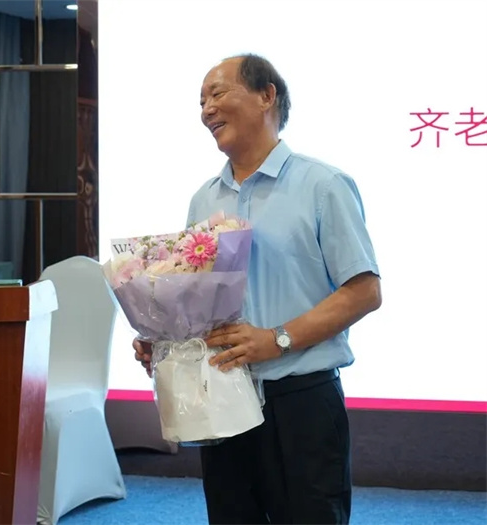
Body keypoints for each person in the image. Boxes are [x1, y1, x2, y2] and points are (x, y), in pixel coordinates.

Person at [133, 54, 382, 524]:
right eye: (201, 101)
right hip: (222, 397)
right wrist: (163, 341)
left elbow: (365, 290)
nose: (207, 109)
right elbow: (197, 300)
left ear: (267, 95)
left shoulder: (323, 185)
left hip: (301, 401)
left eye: (217, 93)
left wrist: (277, 339)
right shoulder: (204, 198)